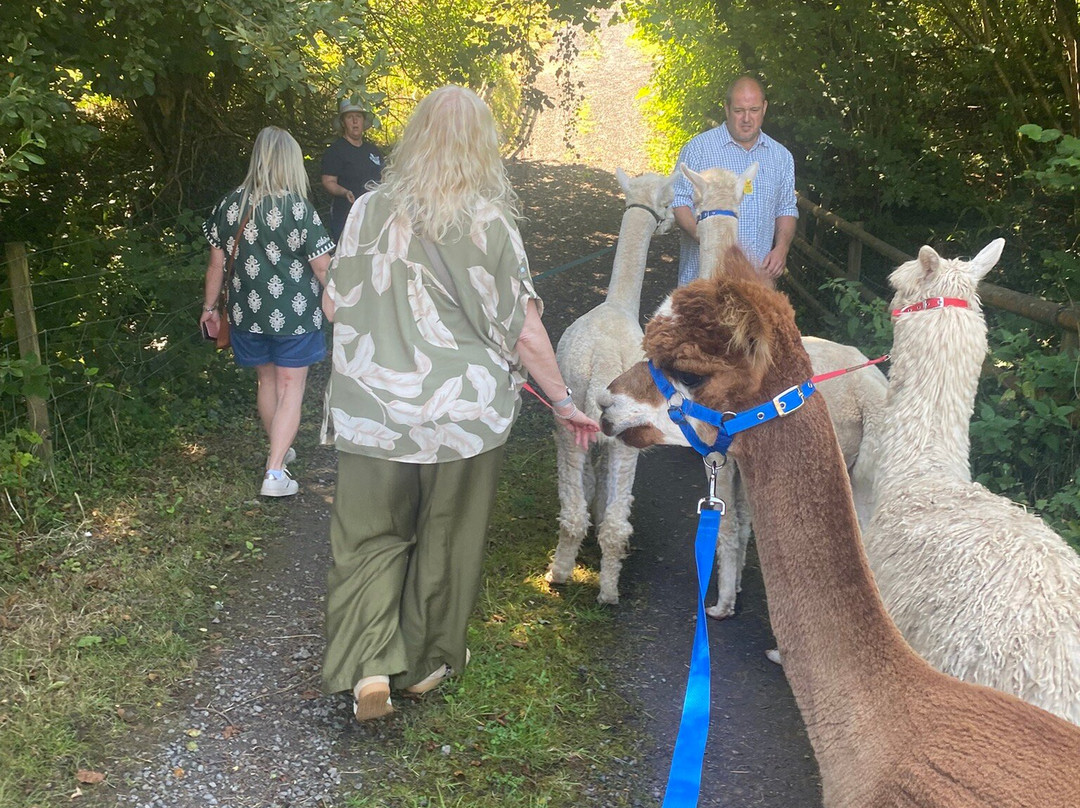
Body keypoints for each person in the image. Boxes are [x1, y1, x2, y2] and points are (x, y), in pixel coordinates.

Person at [319, 84, 600, 722]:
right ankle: (423, 665)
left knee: (367, 538)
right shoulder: (489, 222)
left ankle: (368, 667)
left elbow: (334, 306)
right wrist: (563, 402)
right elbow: (524, 330)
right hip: (461, 417)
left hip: (372, 410)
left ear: (414, 136)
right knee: (446, 535)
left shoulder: (366, 209)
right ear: (482, 146)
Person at [200, 126, 334, 498]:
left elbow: (215, 265)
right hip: (296, 316)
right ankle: (274, 472)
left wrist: (209, 308)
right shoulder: (298, 208)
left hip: (247, 314)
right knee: (291, 387)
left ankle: (279, 449)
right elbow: (323, 268)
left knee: (267, 382)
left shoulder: (230, 204)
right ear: (290, 161)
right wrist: (345, 304)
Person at [672, 75, 798, 287]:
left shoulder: (781, 157)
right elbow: (678, 201)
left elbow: (785, 208)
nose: (747, 118)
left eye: (754, 110)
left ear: (764, 108)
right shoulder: (698, 149)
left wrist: (781, 248)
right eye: (739, 111)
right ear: (727, 108)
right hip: (702, 287)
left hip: (754, 288)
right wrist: (707, 238)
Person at [320, 98, 384, 243]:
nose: (355, 121)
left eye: (358, 116)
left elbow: (384, 176)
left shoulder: (373, 150)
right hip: (346, 215)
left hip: (374, 216)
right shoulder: (335, 151)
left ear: (363, 121)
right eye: (350, 117)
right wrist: (344, 192)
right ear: (343, 122)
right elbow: (328, 181)